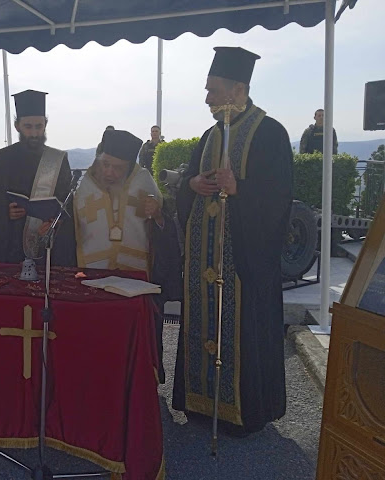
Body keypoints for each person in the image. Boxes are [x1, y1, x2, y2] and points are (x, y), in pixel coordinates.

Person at [172, 47, 293, 436]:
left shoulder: (271, 133)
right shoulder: (210, 136)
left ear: (238, 88)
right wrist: (192, 184)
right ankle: (200, 402)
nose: (206, 97)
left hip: (244, 264)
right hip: (203, 264)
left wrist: (240, 188)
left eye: (213, 89)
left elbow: (280, 198)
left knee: (244, 333)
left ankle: (245, 413)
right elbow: (187, 182)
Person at [74, 129, 183, 382]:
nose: (109, 172)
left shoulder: (144, 179)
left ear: (130, 166)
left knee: (135, 338)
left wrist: (157, 214)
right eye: (106, 165)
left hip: (137, 275)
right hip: (93, 273)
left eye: (117, 168)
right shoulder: (85, 183)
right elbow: (72, 228)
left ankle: (141, 384)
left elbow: (164, 227)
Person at [0, 89, 76, 266]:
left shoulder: (58, 159)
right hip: (10, 242)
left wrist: (54, 222)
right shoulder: (0, 159)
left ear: (45, 125)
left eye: (39, 126)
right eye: (28, 127)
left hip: (47, 242)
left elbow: (67, 202)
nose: (35, 133)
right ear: (17, 126)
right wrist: (4, 211)